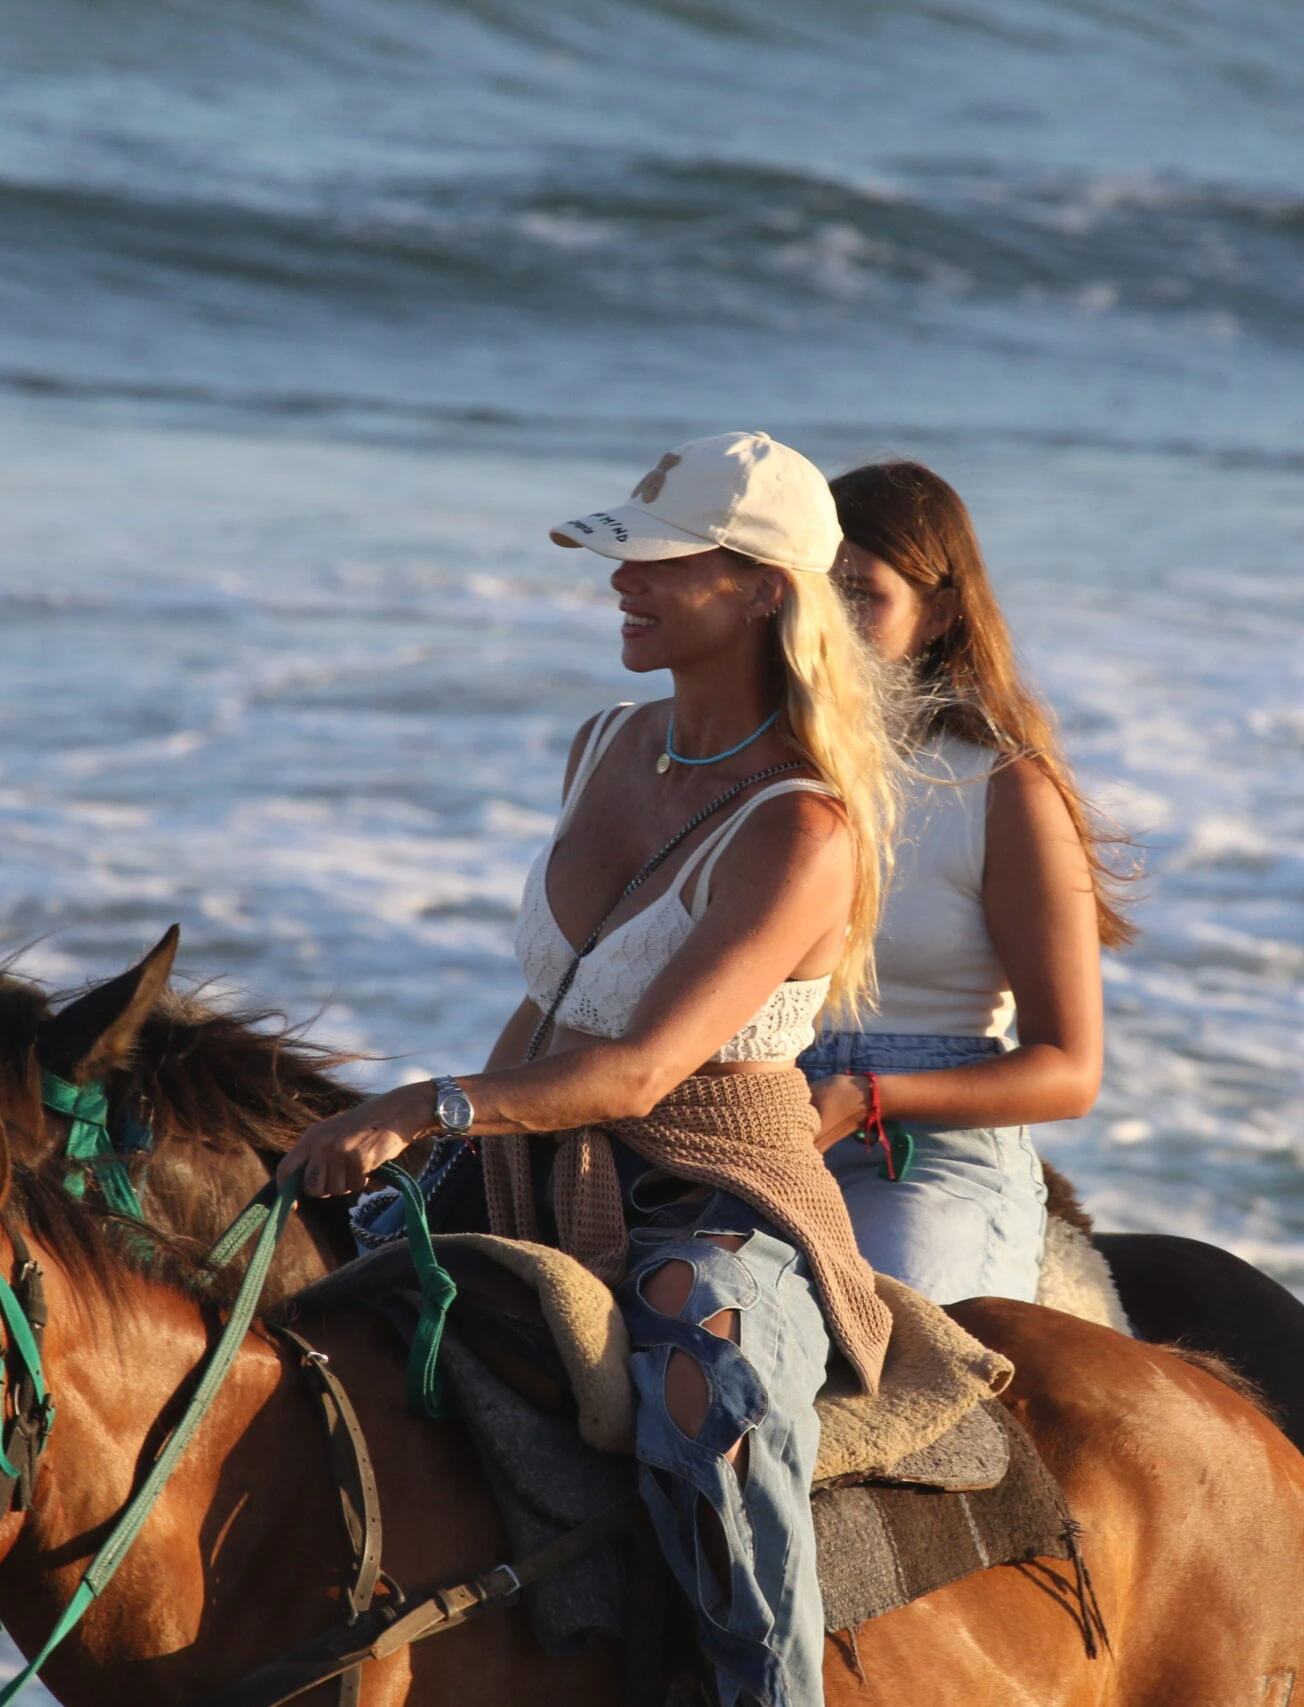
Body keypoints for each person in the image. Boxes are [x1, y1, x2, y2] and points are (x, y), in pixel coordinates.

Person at [282, 431, 900, 1707]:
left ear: (764, 590)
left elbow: (636, 1074)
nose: (622, 583)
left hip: (717, 1176)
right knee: (297, 1283)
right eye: (624, 559)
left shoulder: (802, 826)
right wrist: (437, 1154)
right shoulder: (605, 741)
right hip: (529, 1154)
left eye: (660, 564)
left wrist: (426, 1105)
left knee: (706, 1384)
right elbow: (550, 1001)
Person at [798, 459, 1136, 1306]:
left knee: (886, 1361)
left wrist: (868, 1096)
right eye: (817, 593)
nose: (832, 624)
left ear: (940, 611)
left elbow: (1069, 1070)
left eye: (863, 595)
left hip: (926, 1152)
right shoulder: (764, 764)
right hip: (755, 1120)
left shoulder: (1000, 789)